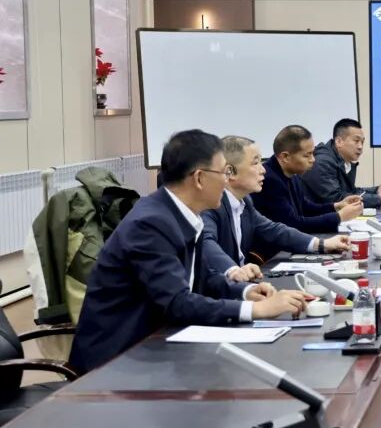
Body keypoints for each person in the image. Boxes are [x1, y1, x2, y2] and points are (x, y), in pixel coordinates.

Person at [69, 130, 306, 373]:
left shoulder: (184, 214)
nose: (227, 180)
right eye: (224, 172)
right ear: (199, 178)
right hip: (117, 361)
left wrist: (246, 292)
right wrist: (256, 310)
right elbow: (177, 302)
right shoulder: (150, 223)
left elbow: (203, 279)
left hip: (159, 344)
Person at [202, 136, 351, 283]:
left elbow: (274, 230)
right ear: (230, 172)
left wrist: (321, 244)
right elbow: (206, 242)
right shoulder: (210, 205)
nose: (263, 170)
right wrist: (233, 270)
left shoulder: (245, 201)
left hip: (242, 284)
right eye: (255, 163)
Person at [250, 125, 364, 234]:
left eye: (312, 153)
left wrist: (337, 206)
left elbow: (305, 207)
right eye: (307, 155)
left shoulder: (292, 174)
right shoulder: (269, 180)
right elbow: (293, 225)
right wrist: (339, 217)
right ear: (285, 157)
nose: (313, 160)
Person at [302, 118, 381, 207]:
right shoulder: (322, 162)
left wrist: (376, 190)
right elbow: (337, 199)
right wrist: (378, 198)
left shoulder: (344, 162)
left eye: (362, 142)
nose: (360, 147)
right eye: (356, 141)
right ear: (338, 141)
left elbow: (350, 191)